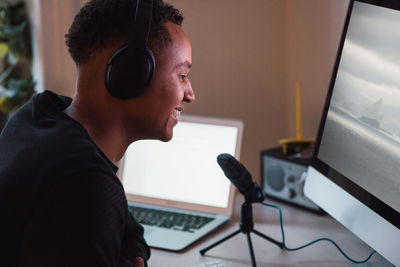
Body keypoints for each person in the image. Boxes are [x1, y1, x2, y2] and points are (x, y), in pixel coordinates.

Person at [0, 0, 194, 266]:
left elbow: (131, 232)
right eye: (182, 74)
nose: (190, 94)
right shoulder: (85, 185)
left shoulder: (38, 116)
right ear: (132, 73)